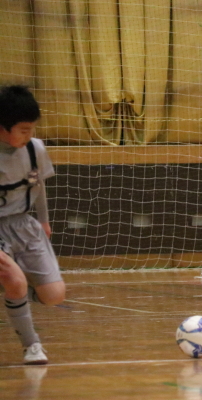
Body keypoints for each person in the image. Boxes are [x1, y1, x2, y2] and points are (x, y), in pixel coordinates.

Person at [0, 85, 65, 365]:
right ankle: (32, 346)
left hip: (24, 225)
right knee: (15, 281)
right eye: (23, 129)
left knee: (53, 295)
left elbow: (37, 185)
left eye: (32, 129)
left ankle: (14, 294)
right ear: (3, 127)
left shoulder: (34, 149)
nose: (29, 135)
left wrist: (43, 220)